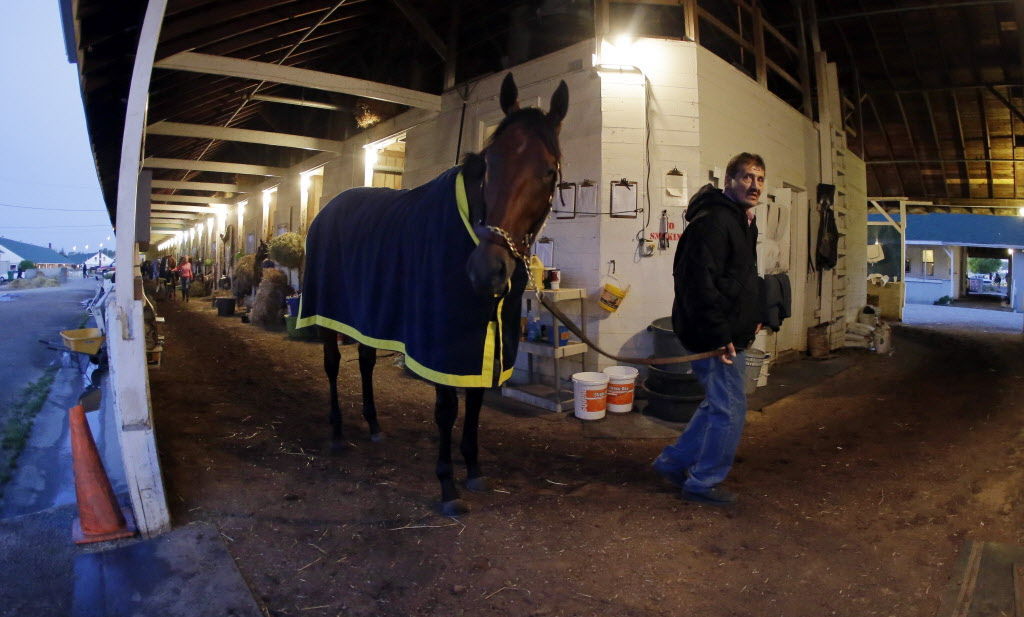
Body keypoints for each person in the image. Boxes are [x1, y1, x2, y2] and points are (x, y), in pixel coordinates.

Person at [652, 152, 765, 506]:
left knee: (717, 405)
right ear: (729, 181)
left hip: (730, 331)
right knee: (730, 409)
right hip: (713, 336)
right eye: (746, 177)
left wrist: (754, 313)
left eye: (760, 179)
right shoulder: (714, 221)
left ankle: (672, 463)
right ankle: (702, 482)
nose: (754, 185)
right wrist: (721, 335)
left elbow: (740, 278)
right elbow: (698, 284)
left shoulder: (744, 221)